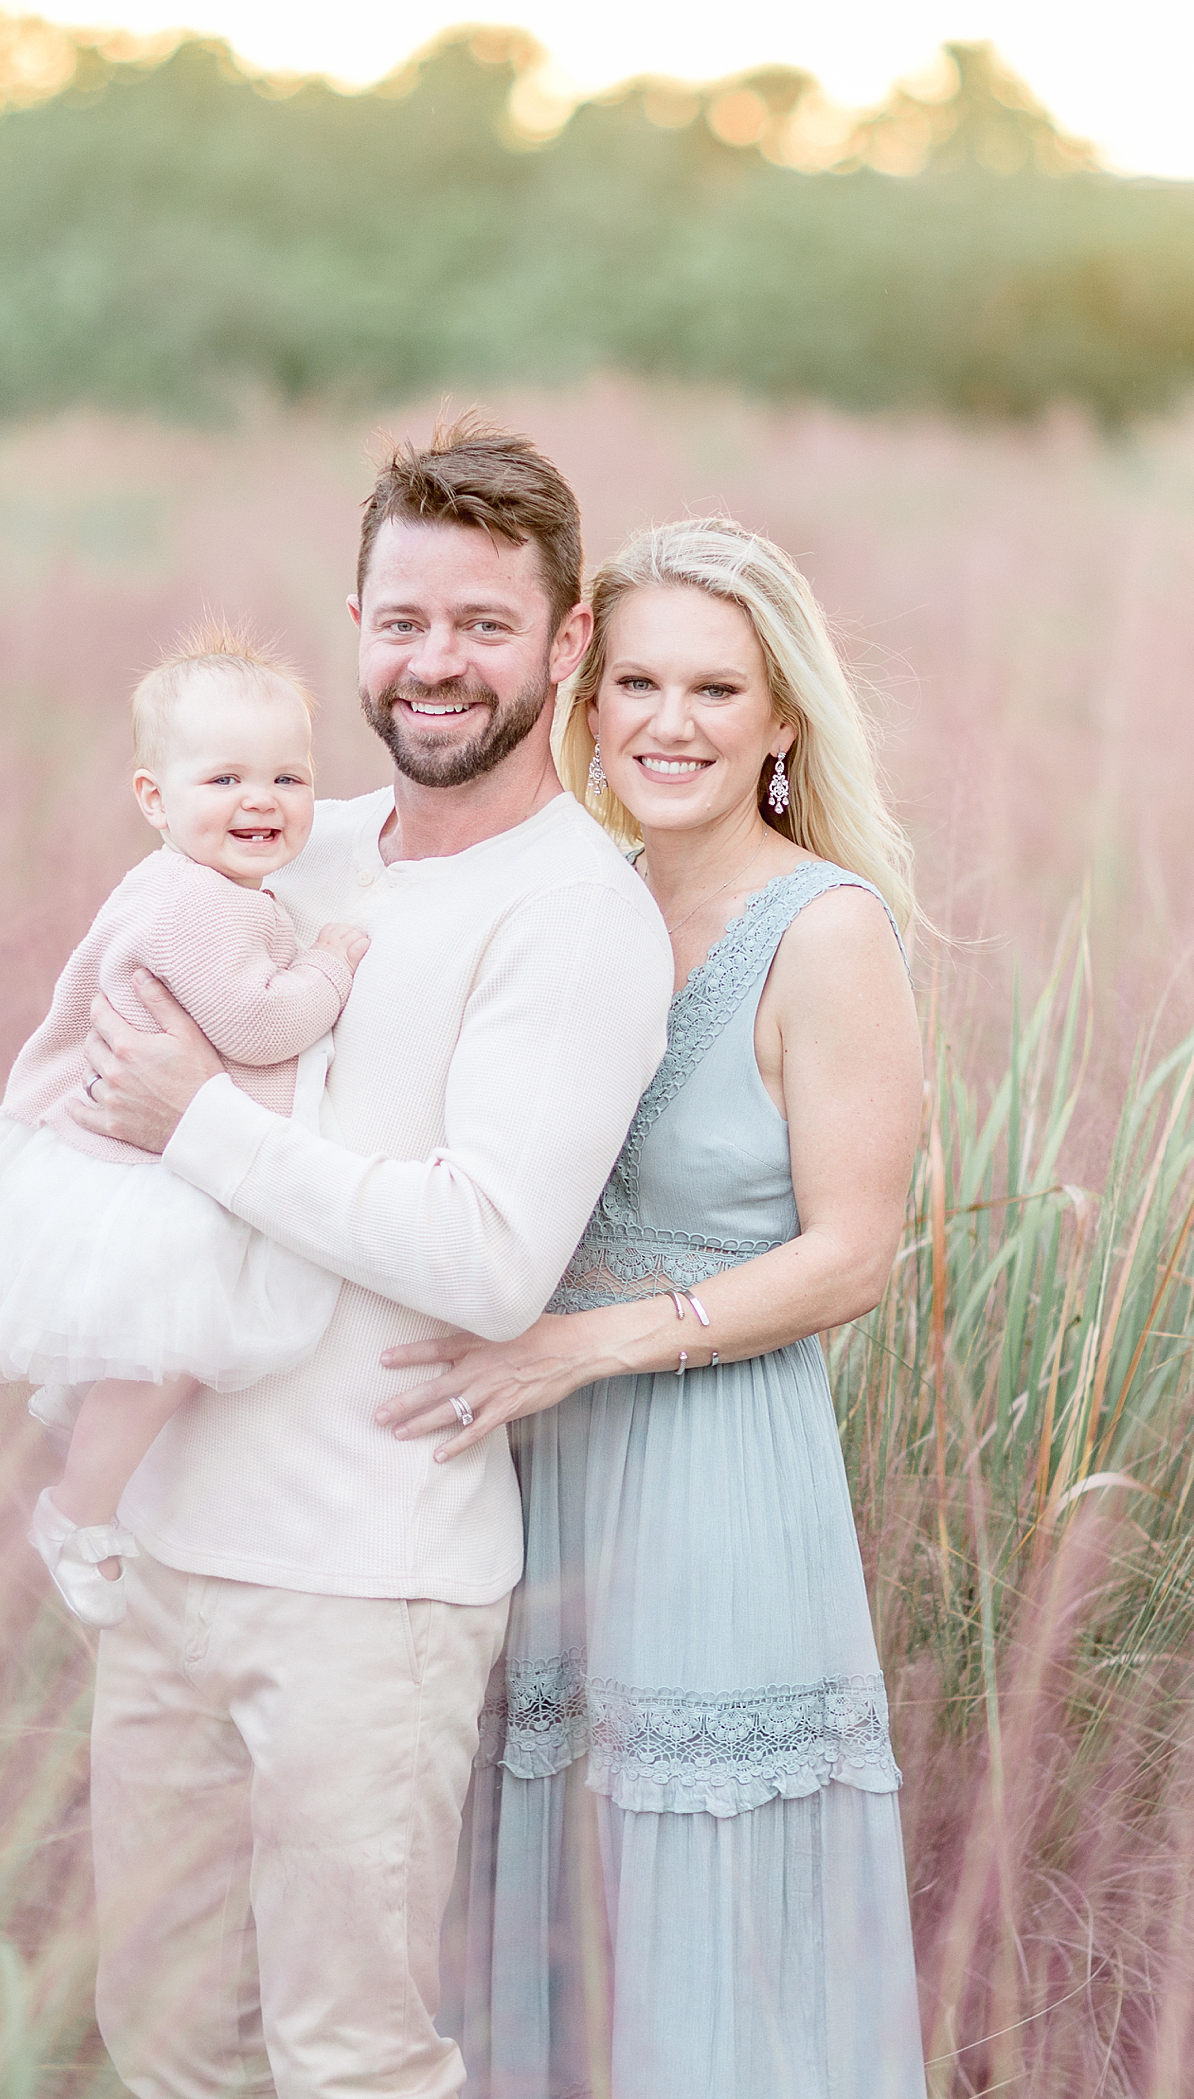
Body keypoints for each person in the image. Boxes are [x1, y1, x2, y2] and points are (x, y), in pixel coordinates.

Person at [59, 417, 675, 2097]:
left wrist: (200, 1116)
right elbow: (96, 1093)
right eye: (402, 618)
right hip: (169, 1548)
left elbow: (486, 1254)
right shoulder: (278, 844)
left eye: (484, 623)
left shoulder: (581, 913)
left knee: (354, 2058)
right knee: (167, 2034)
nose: (434, 660)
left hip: (370, 1582)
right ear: (354, 627)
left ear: (564, 645)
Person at [380, 517, 929, 2097]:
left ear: (779, 721)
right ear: (584, 694)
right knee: (548, 1898)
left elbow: (855, 1252)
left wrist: (589, 1340)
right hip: (540, 1485)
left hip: (717, 1482)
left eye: (714, 687)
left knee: (702, 1908)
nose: (670, 721)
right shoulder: (577, 902)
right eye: (637, 680)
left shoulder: (824, 931)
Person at [0, 629, 369, 1625]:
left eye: (288, 777)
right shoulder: (203, 908)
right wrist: (334, 962)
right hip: (152, 1178)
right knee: (166, 1354)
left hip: (119, 1166)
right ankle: (76, 1510)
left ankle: (88, 1469)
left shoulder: (180, 884)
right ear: (153, 798)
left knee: (151, 1357)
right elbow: (262, 1022)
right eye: (223, 777)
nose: (259, 800)